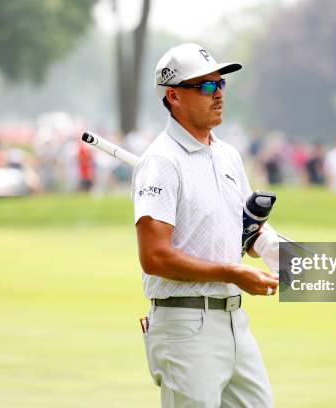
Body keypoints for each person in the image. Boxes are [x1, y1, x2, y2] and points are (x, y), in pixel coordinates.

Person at [133, 43, 278, 407]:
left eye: (221, 84)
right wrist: (233, 273)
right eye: (206, 87)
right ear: (174, 96)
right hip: (184, 325)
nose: (218, 95)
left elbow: (246, 231)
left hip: (234, 322)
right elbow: (155, 257)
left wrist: (283, 254)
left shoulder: (228, 155)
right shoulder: (161, 161)